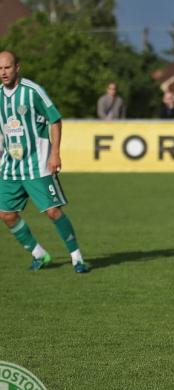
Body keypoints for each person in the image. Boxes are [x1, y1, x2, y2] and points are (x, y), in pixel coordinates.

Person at [0, 51, 89, 273]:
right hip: (10, 166)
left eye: (7, 67)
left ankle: (77, 258)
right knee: (6, 215)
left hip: (37, 163)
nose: (3, 72)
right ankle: (39, 253)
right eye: (0, 68)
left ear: (17, 67)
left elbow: (55, 119)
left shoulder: (32, 91)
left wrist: (55, 153)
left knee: (53, 211)